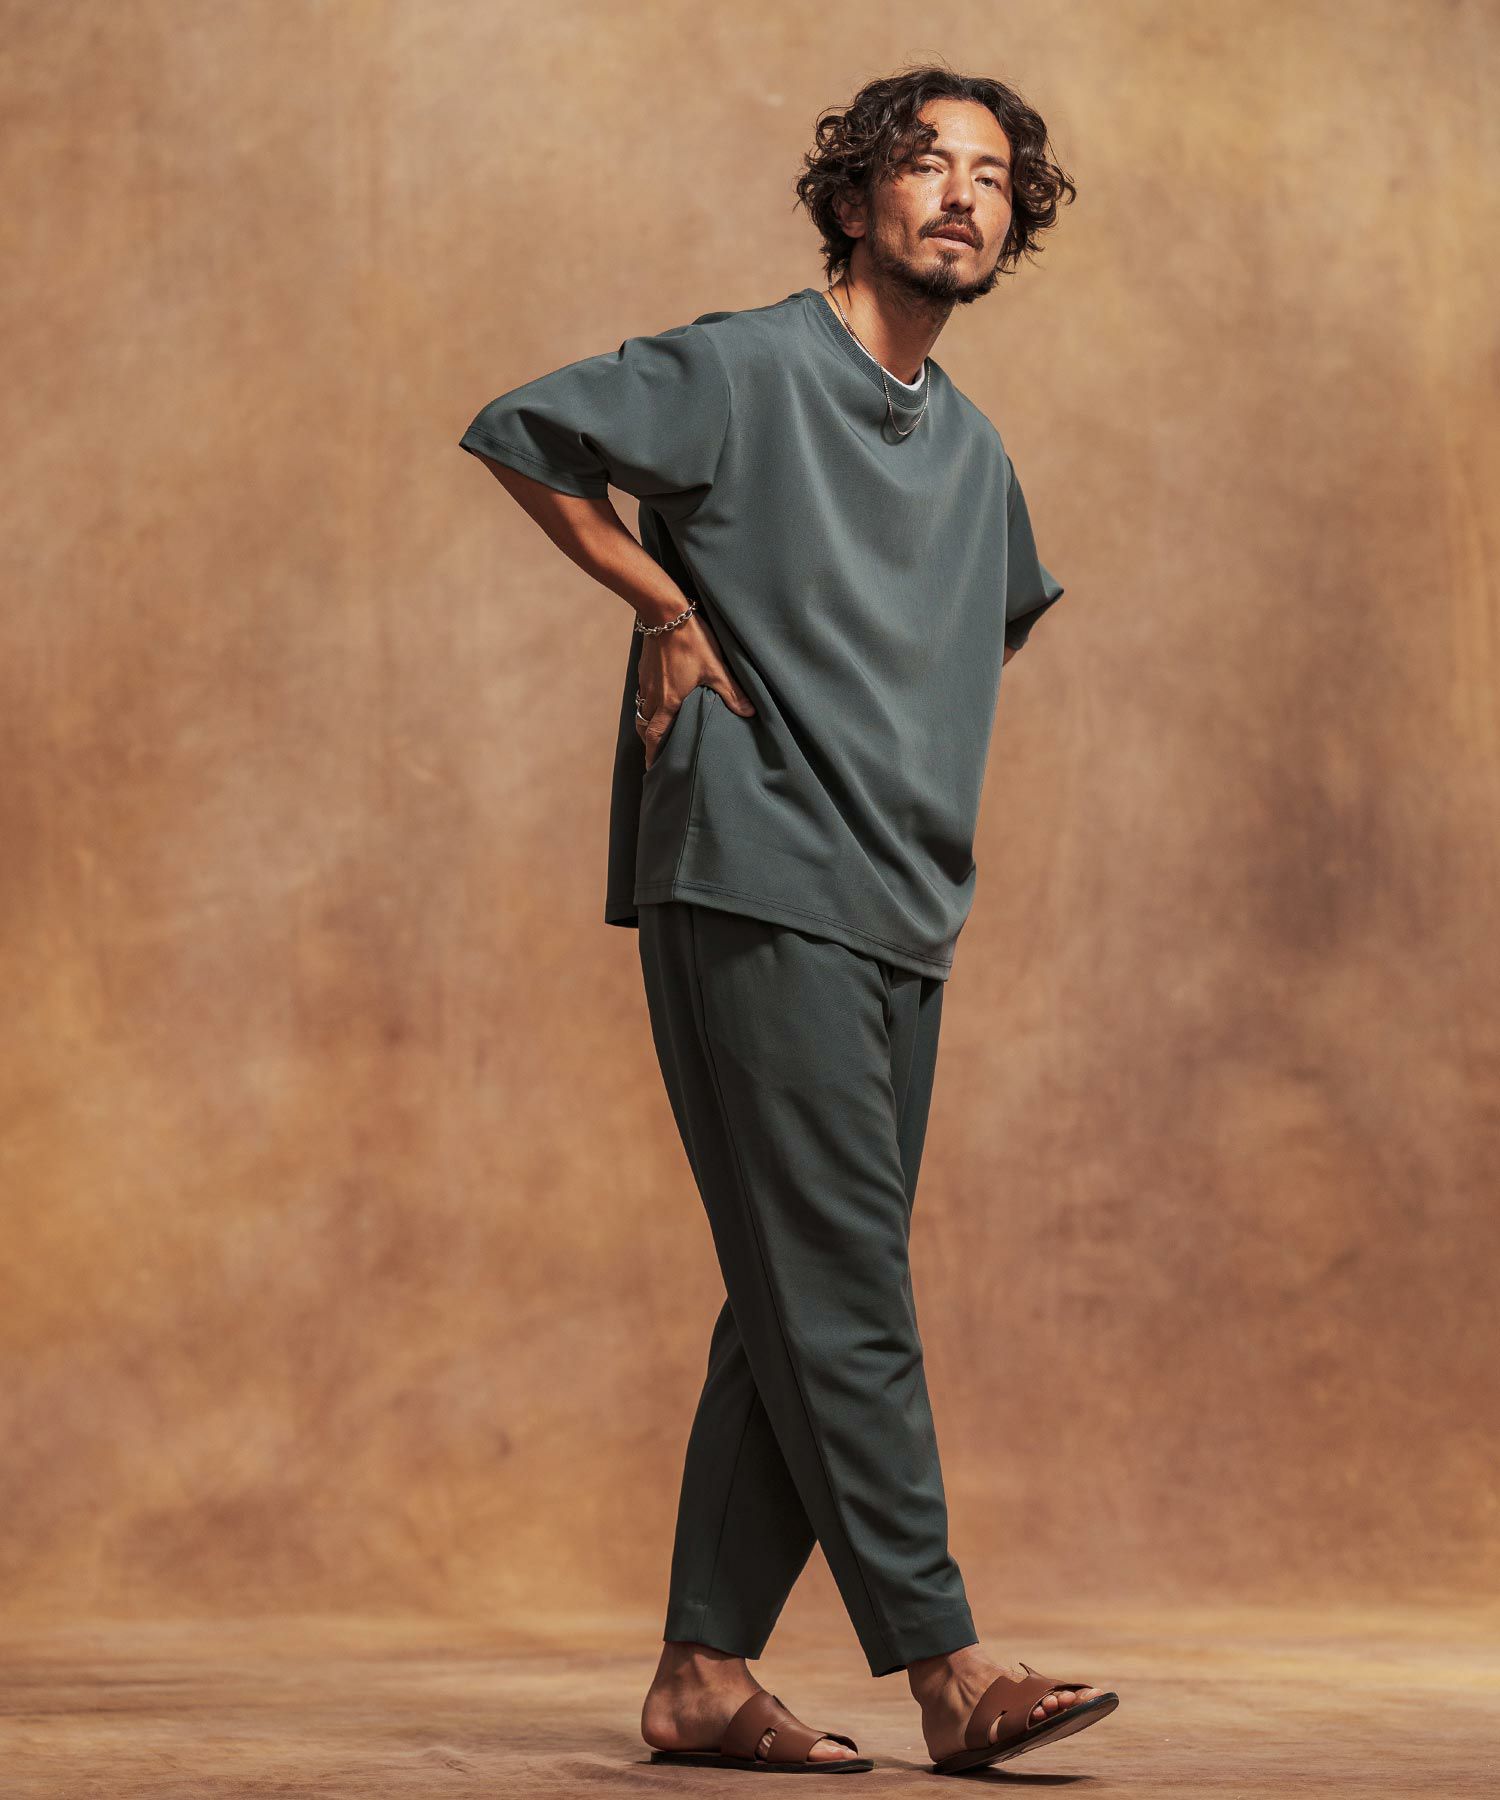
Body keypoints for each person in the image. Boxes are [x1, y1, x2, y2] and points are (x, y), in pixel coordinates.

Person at [458, 63, 1118, 1780]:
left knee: (800, 1285)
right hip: (755, 869)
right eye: (927, 163)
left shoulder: (975, 452)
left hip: (906, 906)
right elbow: (526, 430)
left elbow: (971, 625)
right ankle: (949, 1667)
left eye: (993, 176)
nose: (962, 194)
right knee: (841, 1281)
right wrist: (664, 604)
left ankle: (701, 1672)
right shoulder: (746, 367)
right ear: (853, 196)